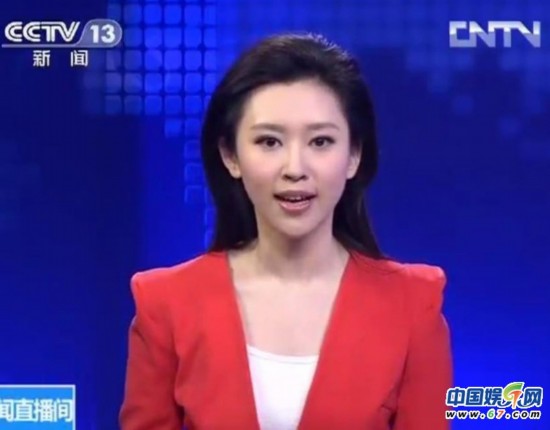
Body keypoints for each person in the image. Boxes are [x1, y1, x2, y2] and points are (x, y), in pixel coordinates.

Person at [119, 32, 453, 430]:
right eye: (269, 141)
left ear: (353, 155)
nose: (295, 168)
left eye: (320, 141)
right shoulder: (166, 304)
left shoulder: (413, 306)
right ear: (230, 155)